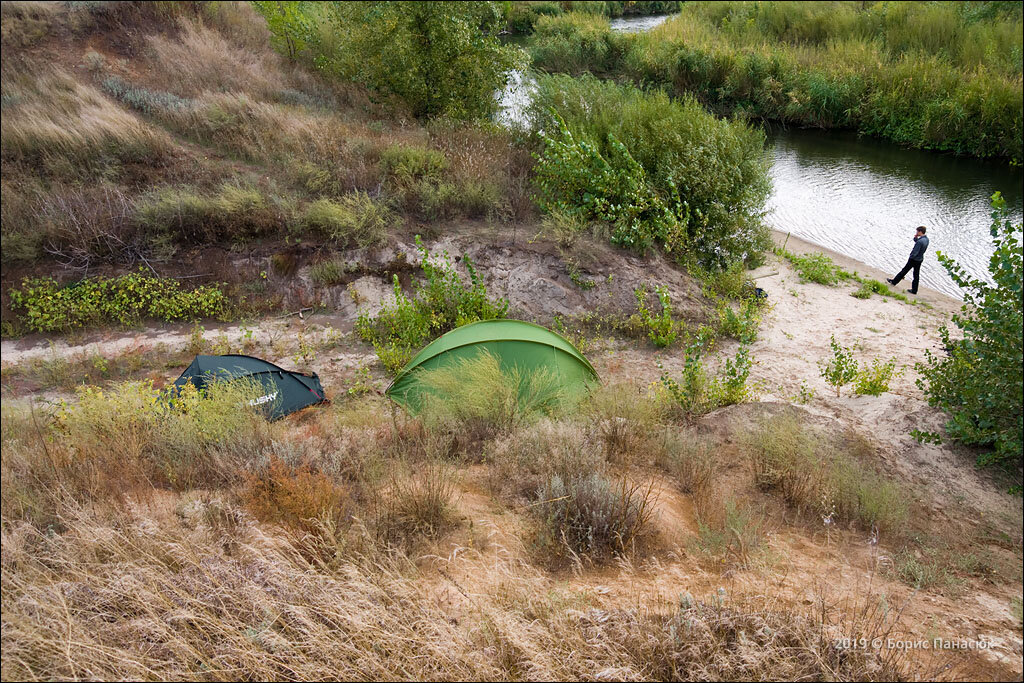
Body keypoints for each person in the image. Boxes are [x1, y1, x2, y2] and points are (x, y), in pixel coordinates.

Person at [887, 226, 929, 295]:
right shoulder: (926, 240)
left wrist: (911, 257)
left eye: (917, 231)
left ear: (920, 232)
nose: (916, 233)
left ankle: (894, 282)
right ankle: (914, 290)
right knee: (916, 275)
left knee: (904, 271)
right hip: (920, 259)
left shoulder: (920, 241)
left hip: (914, 259)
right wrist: (915, 238)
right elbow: (919, 244)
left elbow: (915, 251)